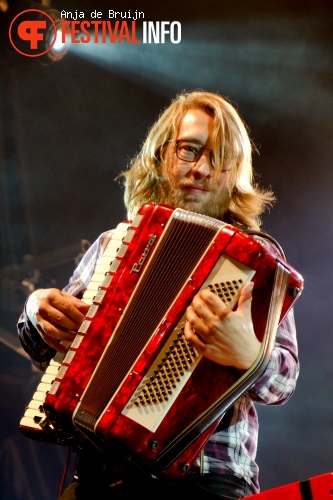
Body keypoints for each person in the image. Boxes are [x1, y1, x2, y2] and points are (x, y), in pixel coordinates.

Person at [18, 91, 299, 499]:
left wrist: (250, 356)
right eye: (189, 149)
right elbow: (48, 347)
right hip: (102, 471)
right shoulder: (113, 244)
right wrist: (36, 310)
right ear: (160, 154)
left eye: (220, 158)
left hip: (208, 477)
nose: (201, 169)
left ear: (233, 172)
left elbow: (285, 381)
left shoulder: (255, 260)